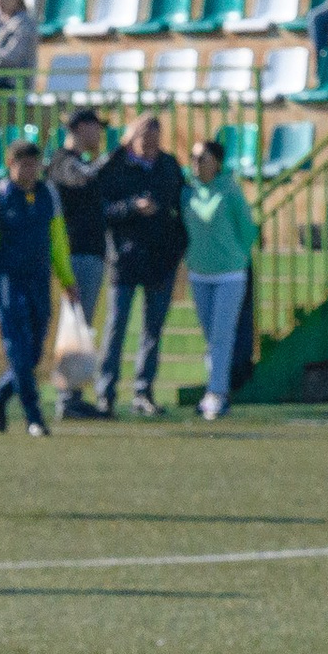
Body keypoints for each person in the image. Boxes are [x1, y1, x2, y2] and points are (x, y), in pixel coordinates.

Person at [0, 136, 75, 439]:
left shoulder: (49, 195)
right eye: (23, 165)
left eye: (34, 165)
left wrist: (67, 279)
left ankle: (0, 392)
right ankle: (34, 416)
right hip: (8, 282)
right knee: (17, 349)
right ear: (10, 166)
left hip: (39, 279)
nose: (29, 171)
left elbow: (57, 241)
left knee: (33, 352)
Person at [94, 110, 186, 419]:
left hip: (160, 259)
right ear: (132, 138)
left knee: (152, 330)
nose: (149, 144)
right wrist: (132, 207)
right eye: (143, 138)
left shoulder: (169, 166)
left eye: (154, 138)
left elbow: (179, 203)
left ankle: (143, 391)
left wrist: (177, 245)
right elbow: (102, 209)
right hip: (124, 258)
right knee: (116, 327)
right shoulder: (116, 166)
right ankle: (105, 392)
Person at [183, 135, 258, 420]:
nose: (196, 163)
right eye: (193, 157)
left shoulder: (229, 190)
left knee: (222, 334)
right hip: (199, 273)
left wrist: (236, 257)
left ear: (216, 162)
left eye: (202, 158)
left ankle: (216, 392)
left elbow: (247, 229)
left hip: (229, 274)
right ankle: (215, 388)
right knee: (210, 335)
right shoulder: (187, 191)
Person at [46, 108, 110, 420]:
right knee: (74, 325)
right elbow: (82, 180)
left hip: (88, 253)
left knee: (79, 325)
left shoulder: (75, 162)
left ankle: (72, 395)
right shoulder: (62, 162)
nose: (100, 134)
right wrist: (119, 153)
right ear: (82, 127)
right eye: (97, 127)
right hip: (76, 254)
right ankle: (67, 398)